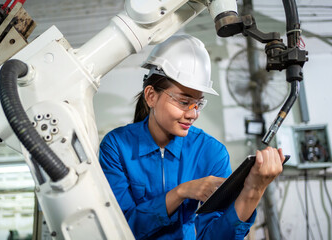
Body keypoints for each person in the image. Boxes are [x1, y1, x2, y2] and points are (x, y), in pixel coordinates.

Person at [99, 34, 285, 240]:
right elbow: (121, 227)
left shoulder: (211, 152)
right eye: (183, 101)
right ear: (151, 96)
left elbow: (215, 237)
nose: (193, 114)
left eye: (198, 103)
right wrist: (181, 192)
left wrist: (253, 191)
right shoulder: (117, 146)